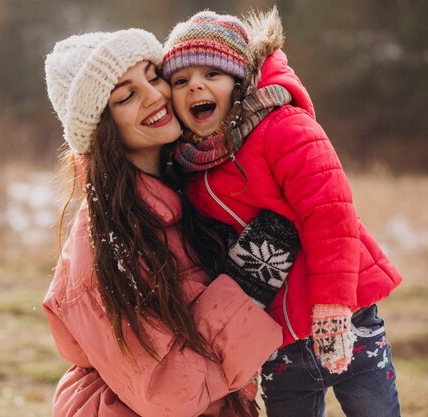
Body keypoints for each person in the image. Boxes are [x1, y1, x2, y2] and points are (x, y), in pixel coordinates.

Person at [162, 8, 403, 417]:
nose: (194, 86)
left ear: (239, 83)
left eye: (211, 75)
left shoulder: (282, 127)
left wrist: (332, 306)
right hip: (279, 341)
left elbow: (331, 216)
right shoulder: (191, 169)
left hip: (346, 318)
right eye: (181, 81)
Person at [43, 28, 284, 417]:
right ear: (102, 131)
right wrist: (246, 288)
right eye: (126, 95)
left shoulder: (183, 191)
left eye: (153, 76)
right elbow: (170, 392)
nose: (155, 95)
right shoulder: (106, 242)